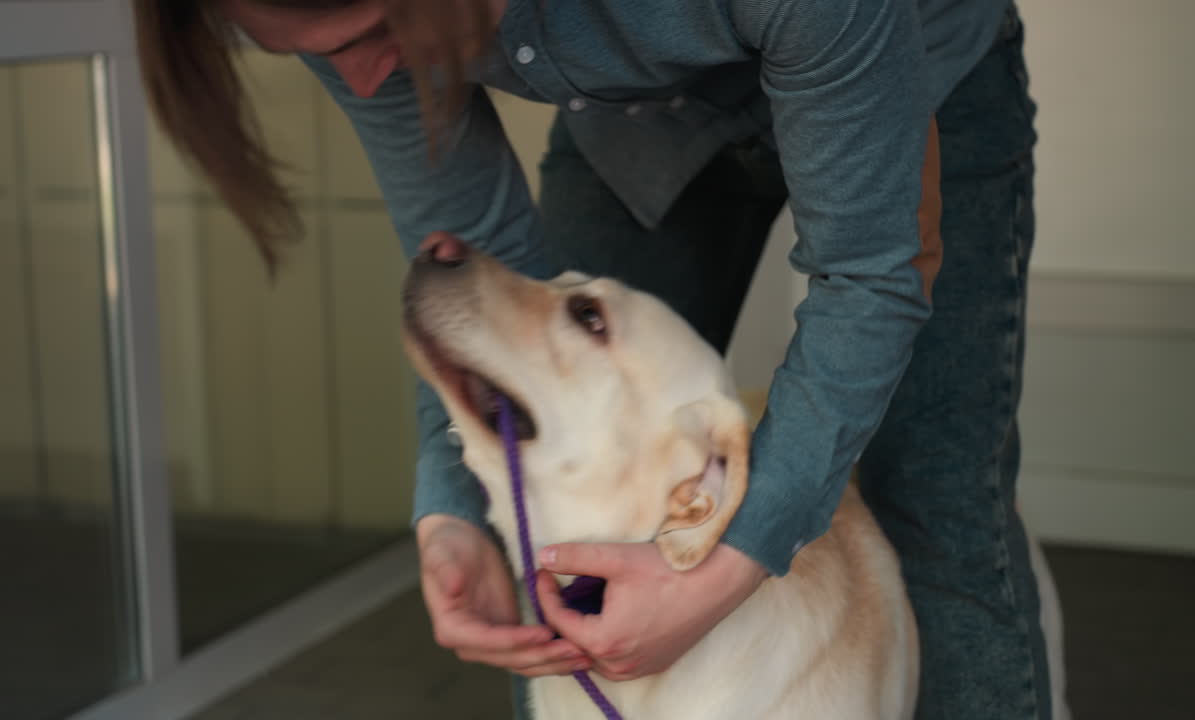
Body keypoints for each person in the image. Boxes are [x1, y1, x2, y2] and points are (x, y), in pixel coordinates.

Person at [133, 0, 1050, 717]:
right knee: (567, 530)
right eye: (308, 50)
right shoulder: (344, 30)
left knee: (936, 509)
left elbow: (868, 276)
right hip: (643, 120)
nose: (366, 80)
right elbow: (472, 274)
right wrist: (454, 517)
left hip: (906, 71)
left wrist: (737, 559)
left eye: (380, 29)